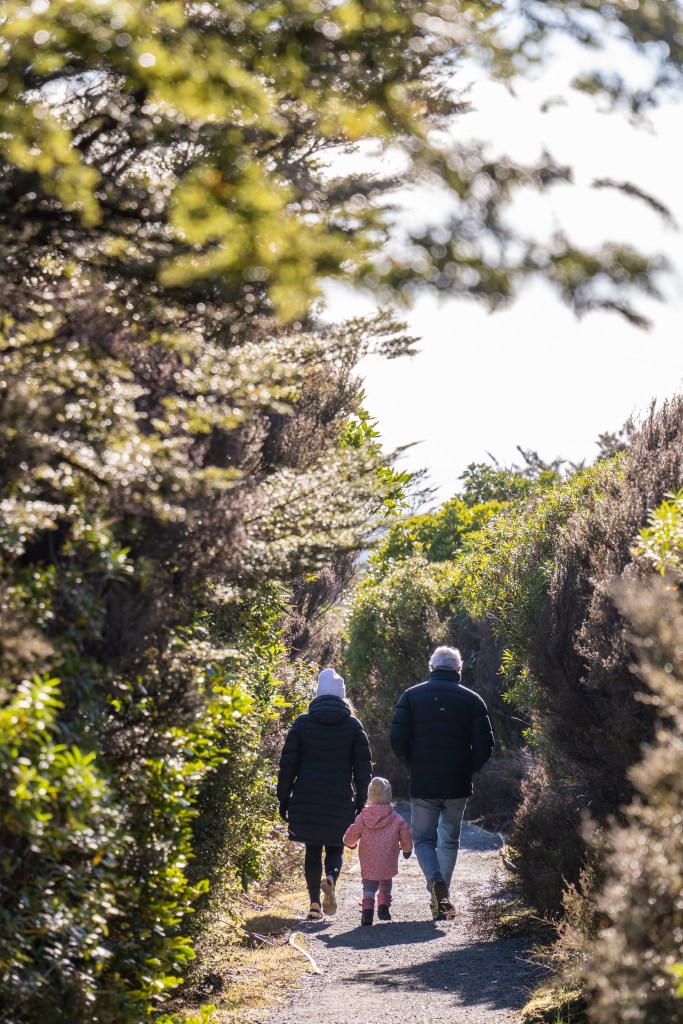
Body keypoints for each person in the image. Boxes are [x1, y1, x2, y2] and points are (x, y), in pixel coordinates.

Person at [389, 645, 494, 921]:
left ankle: (436, 885)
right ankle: (443, 897)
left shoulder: (411, 697)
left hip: (423, 784)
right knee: (449, 840)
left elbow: (397, 740)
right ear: (458, 670)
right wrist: (466, 769)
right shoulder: (473, 700)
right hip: (457, 784)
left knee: (423, 839)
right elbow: (486, 746)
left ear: (432, 668)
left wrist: (413, 765)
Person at [277, 667, 372, 921]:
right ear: (342, 698)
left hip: (307, 798)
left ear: (318, 695)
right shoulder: (353, 726)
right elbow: (363, 770)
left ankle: (314, 905)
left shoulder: (302, 723)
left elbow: (288, 765)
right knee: (335, 848)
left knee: (312, 849)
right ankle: (330, 877)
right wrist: (360, 802)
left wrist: (283, 798)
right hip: (339, 799)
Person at [343, 776, 413, 926]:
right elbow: (405, 833)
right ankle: (383, 908)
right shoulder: (396, 818)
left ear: (370, 797)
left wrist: (350, 843)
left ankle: (367, 912)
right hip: (388, 857)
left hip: (368, 858)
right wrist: (407, 849)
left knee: (368, 885)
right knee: (385, 881)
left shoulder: (363, 817)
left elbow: (353, 832)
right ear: (388, 796)